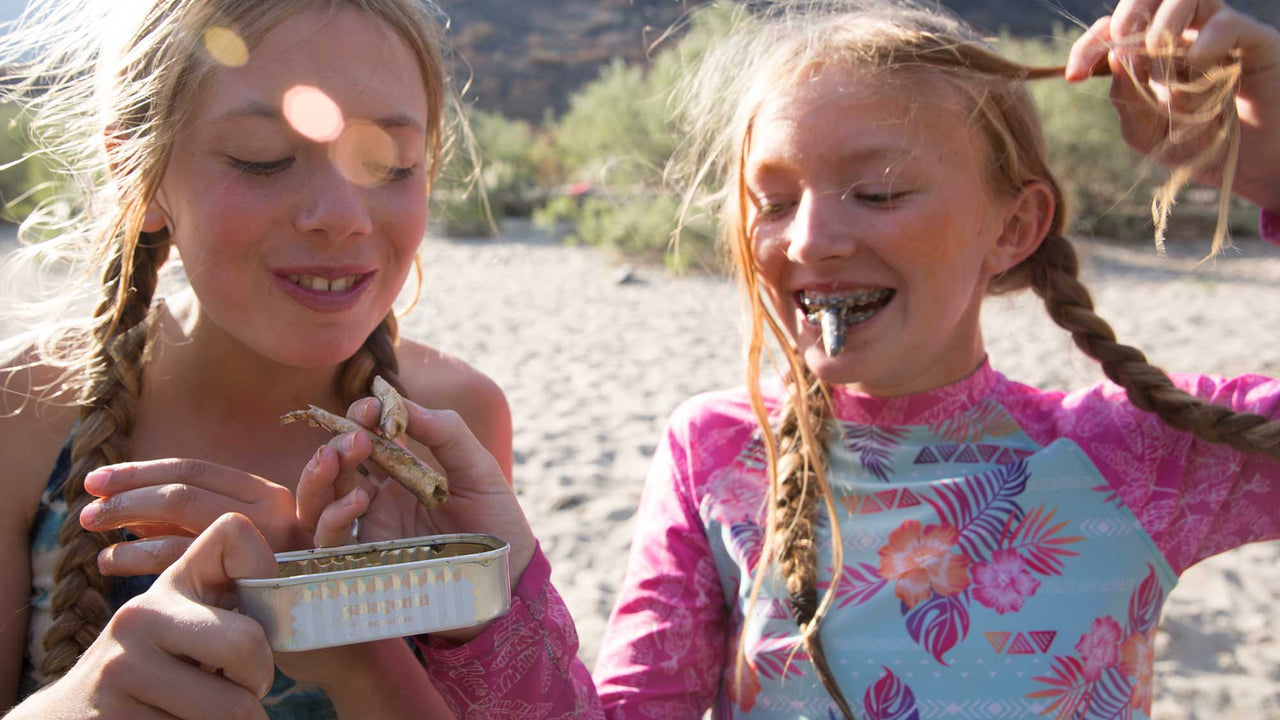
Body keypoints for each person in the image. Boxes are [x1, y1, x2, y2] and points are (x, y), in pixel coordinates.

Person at [294, 0, 1280, 717]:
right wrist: (495, 581)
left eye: (879, 191)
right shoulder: (719, 452)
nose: (806, 240)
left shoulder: (1136, 458)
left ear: (1013, 225)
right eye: (770, 199)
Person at [0, 0, 536, 716]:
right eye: (264, 158)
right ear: (139, 170)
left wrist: (351, 648)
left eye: (389, 164)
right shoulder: (25, 410)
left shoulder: (455, 424)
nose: (341, 213)